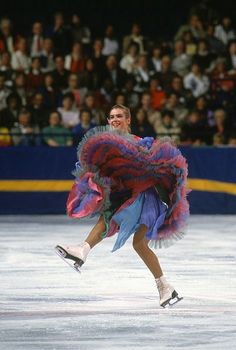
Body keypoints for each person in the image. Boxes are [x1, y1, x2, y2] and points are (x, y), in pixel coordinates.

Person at [55, 104, 189, 308]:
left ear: (128, 120)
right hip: (124, 197)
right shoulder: (104, 147)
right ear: (108, 122)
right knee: (132, 237)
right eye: (111, 117)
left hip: (145, 200)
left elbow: (160, 168)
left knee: (120, 225)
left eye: (119, 116)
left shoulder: (139, 143)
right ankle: (165, 287)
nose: (114, 119)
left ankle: (83, 250)